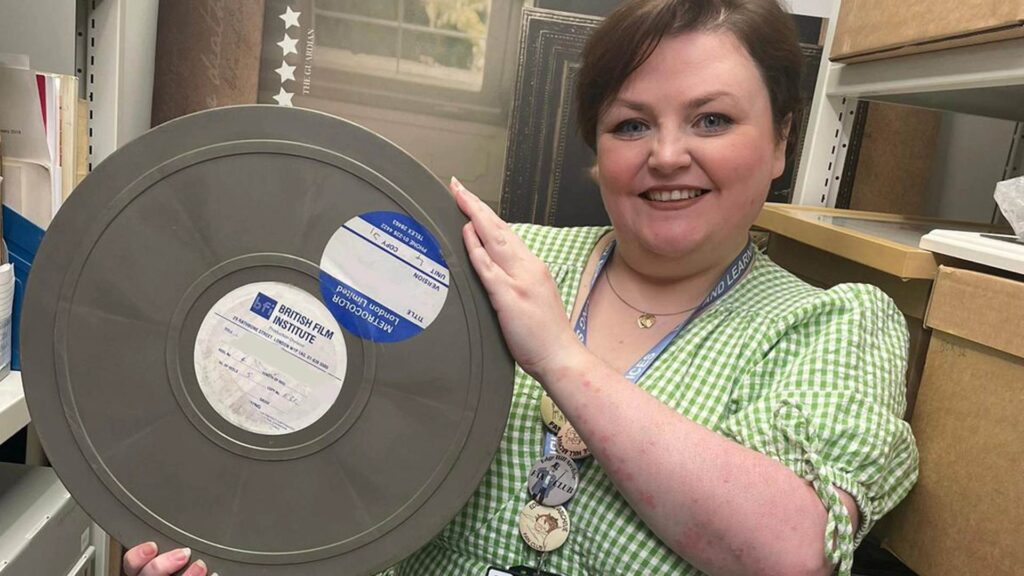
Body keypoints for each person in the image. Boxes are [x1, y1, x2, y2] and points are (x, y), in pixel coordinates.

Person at [123, 1, 918, 575]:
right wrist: (220, 547)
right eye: (631, 125)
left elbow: (788, 555)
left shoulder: (829, 323)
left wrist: (562, 360)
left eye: (711, 120)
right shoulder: (494, 261)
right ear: (597, 151)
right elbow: (324, 444)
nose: (667, 155)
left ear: (781, 140)